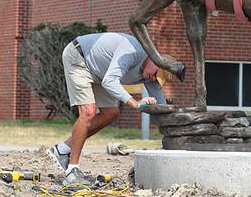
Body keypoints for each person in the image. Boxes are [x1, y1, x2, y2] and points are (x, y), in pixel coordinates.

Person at [47, 32, 172, 184]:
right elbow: (110, 82)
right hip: (79, 57)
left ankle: (62, 150)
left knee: (111, 113)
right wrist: (134, 102)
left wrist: (171, 128)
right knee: (88, 112)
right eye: (156, 74)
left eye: (158, 79)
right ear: (154, 60)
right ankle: (72, 170)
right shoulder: (132, 51)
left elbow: (162, 107)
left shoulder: (150, 75)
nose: (153, 79)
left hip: (100, 72)